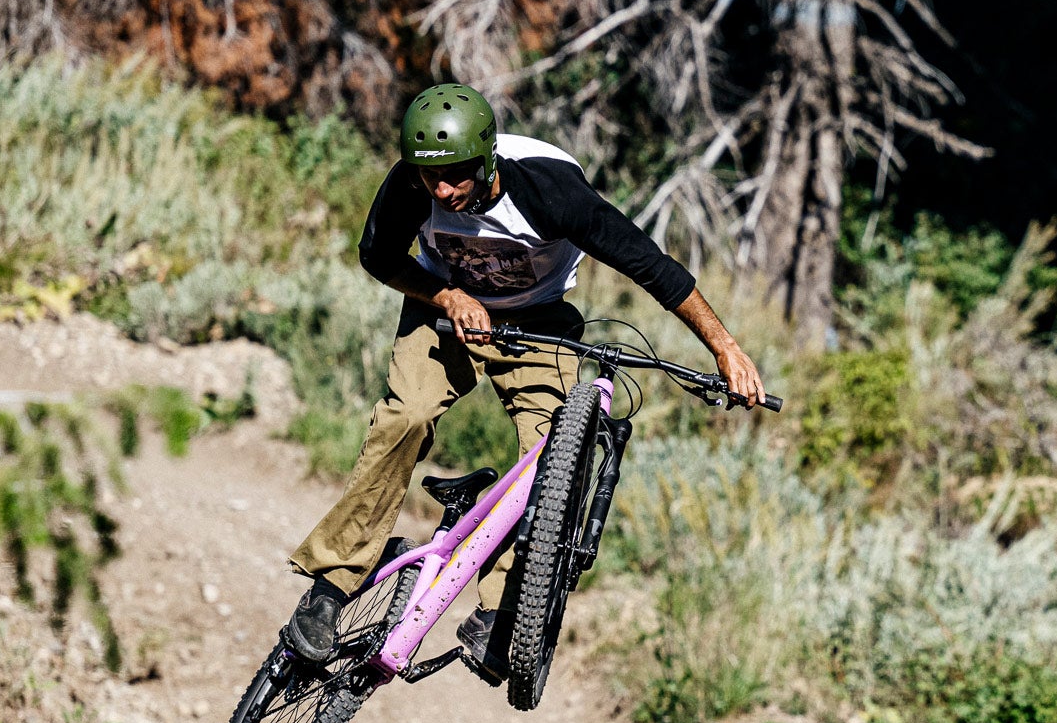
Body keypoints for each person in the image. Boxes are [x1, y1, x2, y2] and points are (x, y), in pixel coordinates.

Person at [282, 83, 763, 686]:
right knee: (407, 414)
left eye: (456, 177)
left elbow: (654, 268)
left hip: (537, 321)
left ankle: (502, 612)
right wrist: (449, 295)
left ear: (485, 160)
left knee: (549, 456)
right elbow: (378, 256)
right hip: (444, 309)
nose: (442, 192)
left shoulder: (553, 193)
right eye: (430, 179)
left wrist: (726, 349)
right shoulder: (413, 184)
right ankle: (331, 584)